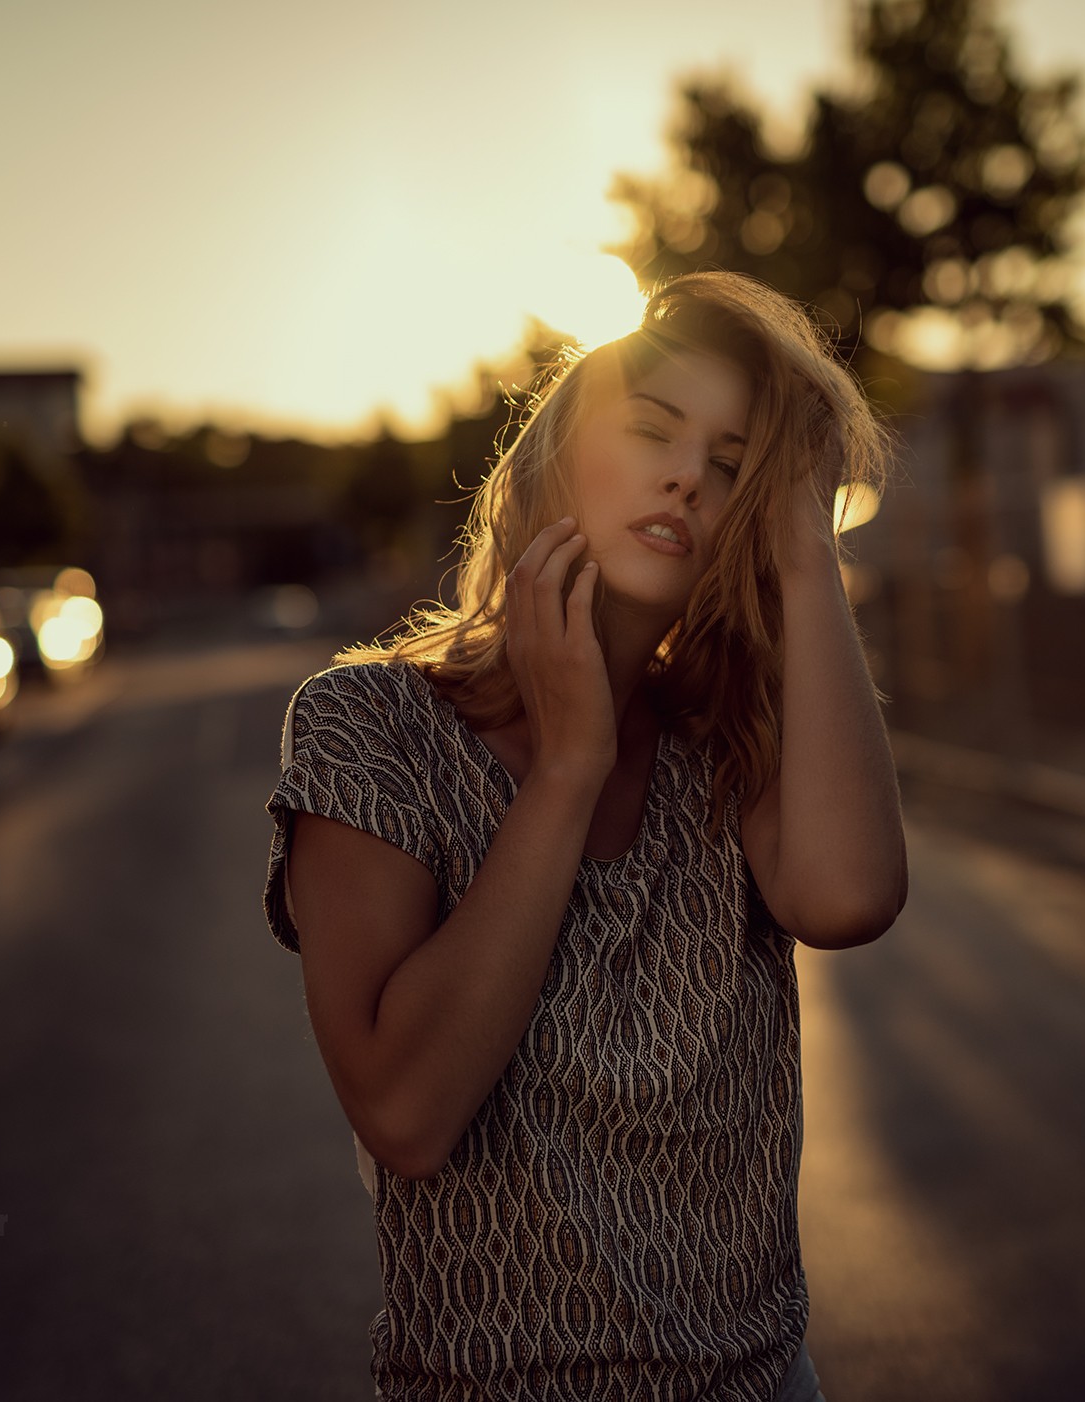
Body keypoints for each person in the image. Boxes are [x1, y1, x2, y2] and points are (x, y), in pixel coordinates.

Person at [259, 269, 906, 1400]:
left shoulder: (728, 736)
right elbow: (407, 1113)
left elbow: (850, 900)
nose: (685, 475)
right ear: (553, 461)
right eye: (654, 428)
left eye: (732, 464)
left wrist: (805, 545)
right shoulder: (368, 726)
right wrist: (567, 768)